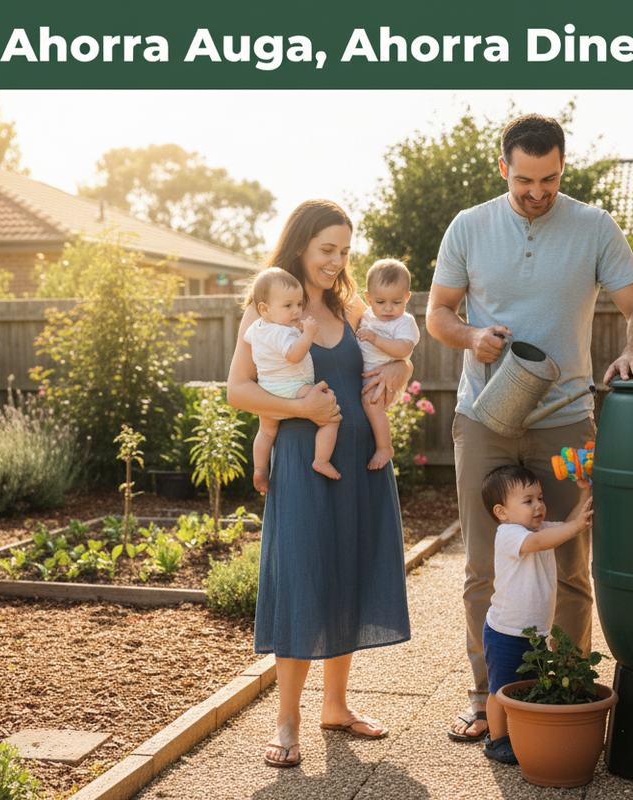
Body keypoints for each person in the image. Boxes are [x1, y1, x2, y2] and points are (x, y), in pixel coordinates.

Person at [426, 112, 633, 743]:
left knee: (569, 559)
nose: (538, 191)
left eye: (550, 179)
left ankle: (565, 688)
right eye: (526, 179)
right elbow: (438, 314)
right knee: (484, 563)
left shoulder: (593, 227)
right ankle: (486, 698)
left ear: (562, 168)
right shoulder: (469, 227)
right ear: (503, 167)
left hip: (564, 421)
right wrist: (471, 335)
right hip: (485, 420)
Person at [226, 200, 413, 768]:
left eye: (345, 251)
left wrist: (399, 372)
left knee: (347, 575)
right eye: (327, 249)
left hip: (360, 462)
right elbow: (237, 390)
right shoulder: (269, 309)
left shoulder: (349, 305)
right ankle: (288, 718)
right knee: (304, 580)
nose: (336, 261)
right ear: (301, 244)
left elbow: (400, 358)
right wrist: (299, 408)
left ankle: (336, 705)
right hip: (305, 466)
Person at [479, 464, 593, 764]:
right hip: (505, 632)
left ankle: (518, 733)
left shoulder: (541, 529)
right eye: (528, 501)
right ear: (502, 512)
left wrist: (584, 491)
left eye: (540, 497)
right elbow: (543, 542)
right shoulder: (509, 534)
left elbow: (568, 524)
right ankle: (497, 738)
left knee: (526, 686)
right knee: (499, 691)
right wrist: (577, 526)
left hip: (534, 634)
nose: (539, 505)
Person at [244, 267, 340, 492]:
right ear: (264, 309)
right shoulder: (281, 332)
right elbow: (294, 355)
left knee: (266, 432)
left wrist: (292, 326)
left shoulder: (256, 328)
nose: (296, 311)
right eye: (288, 306)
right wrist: (307, 334)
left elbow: (254, 342)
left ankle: (259, 469)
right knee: (330, 417)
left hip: (267, 392)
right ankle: (321, 460)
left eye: (299, 304)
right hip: (294, 387)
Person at [356, 259, 421, 469]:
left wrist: (376, 339)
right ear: (368, 298)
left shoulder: (404, 322)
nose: (388, 309)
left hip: (379, 380)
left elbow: (404, 350)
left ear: (407, 298)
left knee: (370, 404)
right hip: (363, 375)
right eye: (380, 302)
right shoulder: (365, 315)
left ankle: (385, 447)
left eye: (396, 302)